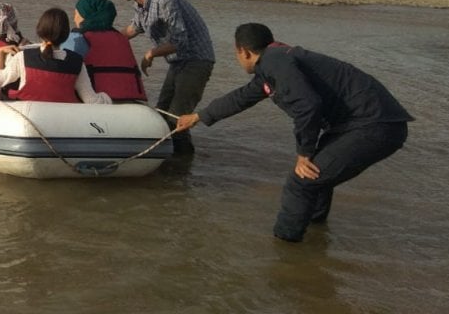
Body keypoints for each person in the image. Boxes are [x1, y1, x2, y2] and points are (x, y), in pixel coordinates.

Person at [174, 23, 412, 242]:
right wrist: (199, 116)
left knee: (301, 181)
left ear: (244, 52)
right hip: (363, 123)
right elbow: (242, 97)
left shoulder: (275, 62)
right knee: (317, 180)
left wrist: (304, 153)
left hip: (374, 125)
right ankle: (315, 235)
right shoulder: (276, 63)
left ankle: (285, 249)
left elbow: (308, 105)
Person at [114, 0, 214, 154]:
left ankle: (182, 168)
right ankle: (170, 165)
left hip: (196, 60)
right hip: (178, 63)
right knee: (161, 112)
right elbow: (130, 31)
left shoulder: (165, 0)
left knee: (177, 119)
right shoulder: (141, 6)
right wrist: (99, 36)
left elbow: (180, 41)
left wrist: (151, 53)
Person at [0, 7, 112, 104]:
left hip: (28, 115)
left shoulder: (22, 57)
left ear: (39, 30)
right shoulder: (77, 63)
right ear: (65, 35)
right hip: (62, 121)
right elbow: (91, 100)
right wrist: (108, 98)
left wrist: (0, 53)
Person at [62, 0, 147, 103]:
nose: (74, 19)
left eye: (76, 14)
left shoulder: (77, 38)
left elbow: (61, 68)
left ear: (85, 16)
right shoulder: (121, 38)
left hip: (98, 100)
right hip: (130, 99)